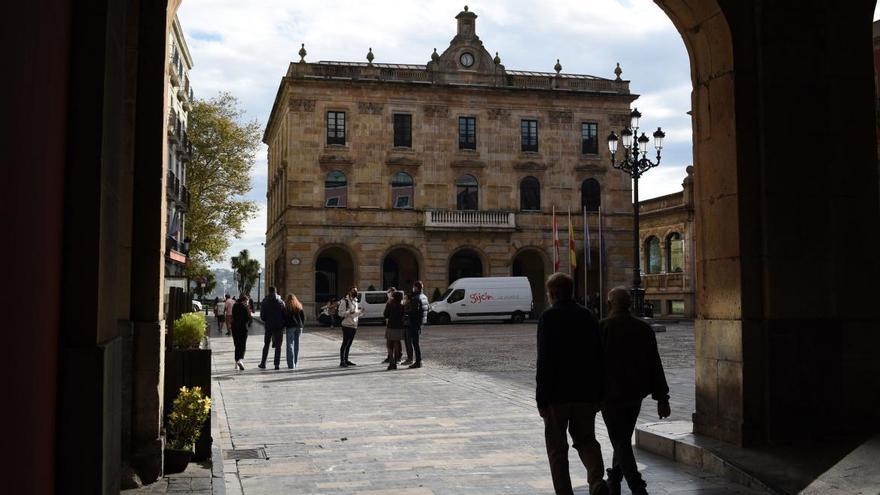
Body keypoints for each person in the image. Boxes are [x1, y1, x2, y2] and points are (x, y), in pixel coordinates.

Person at [536, 272, 608, 495]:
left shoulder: (548, 318)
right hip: (586, 392)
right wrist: (599, 392)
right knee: (587, 440)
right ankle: (596, 481)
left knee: (557, 449)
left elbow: (545, 360)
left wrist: (542, 398)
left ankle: (564, 491)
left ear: (553, 293)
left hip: (557, 395)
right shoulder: (588, 316)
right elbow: (599, 356)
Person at [600, 287, 670, 495]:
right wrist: (662, 397)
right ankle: (614, 479)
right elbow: (654, 364)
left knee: (620, 440)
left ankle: (637, 486)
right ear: (629, 304)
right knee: (622, 438)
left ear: (610, 304)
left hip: (609, 395)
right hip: (634, 395)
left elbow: (592, 365)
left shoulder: (602, 328)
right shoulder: (643, 329)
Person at [258, 286, 285, 370]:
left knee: (266, 344)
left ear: (268, 292)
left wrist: (267, 320)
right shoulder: (281, 302)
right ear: (276, 291)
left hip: (269, 326)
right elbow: (285, 314)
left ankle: (263, 363)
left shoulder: (265, 301)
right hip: (279, 326)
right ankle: (276, 364)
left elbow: (262, 316)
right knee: (278, 346)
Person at [337, 286, 363, 367]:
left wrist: (360, 312)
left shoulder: (355, 301)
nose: (355, 292)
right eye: (353, 291)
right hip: (346, 325)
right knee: (345, 342)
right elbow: (340, 313)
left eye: (356, 291)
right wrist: (349, 312)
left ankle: (346, 359)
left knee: (349, 343)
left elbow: (354, 313)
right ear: (349, 292)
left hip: (354, 324)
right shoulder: (344, 301)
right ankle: (342, 361)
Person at [405, 281, 428, 369]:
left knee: (415, 343)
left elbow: (413, 311)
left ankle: (418, 361)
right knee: (416, 342)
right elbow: (427, 308)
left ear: (416, 287)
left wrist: (406, 310)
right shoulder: (424, 296)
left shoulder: (416, 298)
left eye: (413, 287)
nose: (413, 289)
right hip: (420, 322)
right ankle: (418, 361)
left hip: (415, 322)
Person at [383, 291, 405, 370]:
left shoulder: (390, 305)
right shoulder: (402, 306)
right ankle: (395, 362)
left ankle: (391, 362)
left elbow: (385, 314)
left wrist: (388, 303)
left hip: (391, 326)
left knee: (389, 344)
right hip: (399, 326)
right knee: (396, 344)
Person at [283, 293, 305, 369]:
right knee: (296, 345)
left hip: (290, 327)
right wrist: (302, 326)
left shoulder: (286, 307)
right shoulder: (299, 306)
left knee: (290, 345)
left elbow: (284, 318)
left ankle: (291, 364)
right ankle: (295, 362)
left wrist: (284, 326)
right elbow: (302, 317)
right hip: (298, 327)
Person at [231, 295, 251, 370]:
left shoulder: (234, 306)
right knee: (242, 345)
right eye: (247, 301)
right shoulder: (245, 308)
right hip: (243, 328)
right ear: (244, 301)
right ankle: (240, 360)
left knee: (237, 345)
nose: (247, 303)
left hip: (235, 328)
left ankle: (236, 363)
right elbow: (248, 319)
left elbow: (233, 315)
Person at [400, 293, 414, 365]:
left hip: (408, 326)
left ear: (409, 300)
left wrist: (404, 308)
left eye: (405, 298)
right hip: (405, 326)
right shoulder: (405, 305)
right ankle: (409, 358)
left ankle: (410, 359)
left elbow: (407, 314)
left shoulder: (410, 306)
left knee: (409, 343)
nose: (404, 299)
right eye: (404, 298)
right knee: (406, 343)